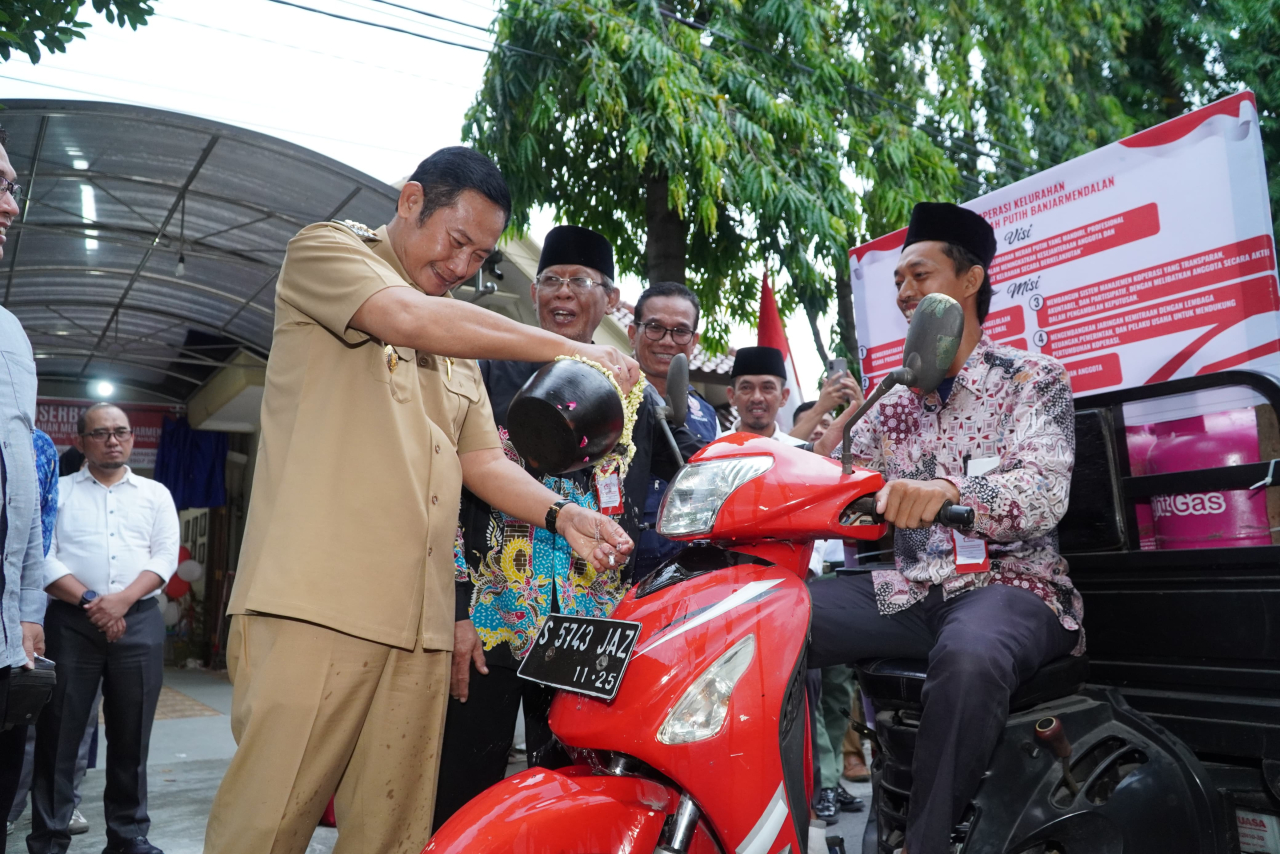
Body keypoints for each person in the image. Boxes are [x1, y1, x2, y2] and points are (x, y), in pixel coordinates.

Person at [204, 150, 638, 854]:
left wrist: (568, 517)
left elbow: (484, 464)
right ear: (411, 201)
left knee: (394, 833)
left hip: (421, 624)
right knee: (267, 825)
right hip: (320, 606)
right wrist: (570, 349)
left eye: (482, 254)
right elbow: (406, 318)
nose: (463, 264)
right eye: (455, 240)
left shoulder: (457, 338)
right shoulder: (327, 252)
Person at [811, 202, 1081, 854]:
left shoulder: (1030, 378)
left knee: (968, 656)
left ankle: (924, 845)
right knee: (773, 616)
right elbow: (842, 487)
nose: (904, 293)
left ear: (970, 279)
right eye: (898, 280)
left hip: (1011, 586)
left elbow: (1044, 491)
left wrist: (948, 491)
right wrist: (818, 471)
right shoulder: (892, 398)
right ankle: (781, 825)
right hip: (909, 588)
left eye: (920, 276)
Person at [435, 229, 704, 829]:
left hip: (590, 628)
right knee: (464, 789)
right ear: (533, 292)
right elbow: (448, 492)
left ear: (610, 301)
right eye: (552, 279)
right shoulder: (485, 370)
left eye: (580, 281)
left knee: (579, 797)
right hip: (491, 618)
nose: (564, 293)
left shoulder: (635, 392)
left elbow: (694, 471)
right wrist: (453, 612)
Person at [28, 403, 179, 854]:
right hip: (72, 624)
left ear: (132, 438)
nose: (112, 439)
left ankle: (129, 836)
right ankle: (51, 837)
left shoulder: (155, 495)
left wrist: (122, 602)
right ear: (80, 441)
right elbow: (43, 553)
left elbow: (164, 556)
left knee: (131, 736)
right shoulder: (59, 491)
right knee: (59, 735)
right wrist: (94, 602)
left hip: (140, 624)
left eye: (120, 431)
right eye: (100, 433)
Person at [0, 125, 52, 850]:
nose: (11, 206)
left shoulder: (10, 332)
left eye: (11, 186)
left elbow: (24, 496)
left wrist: (27, 608)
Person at [626, 281, 720, 578]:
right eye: (654, 327)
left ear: (694, 341)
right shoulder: (605, 393)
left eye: (680, 331)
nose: (667, 341)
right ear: (633, 333)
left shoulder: (706, 413)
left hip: (687, 573)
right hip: (613, 568)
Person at [726, 346, 807, 445]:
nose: (756, 398)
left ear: (784, 397)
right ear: (732, 396)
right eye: (746, 388)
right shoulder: (711, 450)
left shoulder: (800, 452)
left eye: (767, 388)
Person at [789, 369, 862, 441]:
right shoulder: (782, 448)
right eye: (810, 425)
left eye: (825, 425)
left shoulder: (847, 450)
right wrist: (820, 409)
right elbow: (788, 445)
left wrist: (862, 411)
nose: (818, 431)